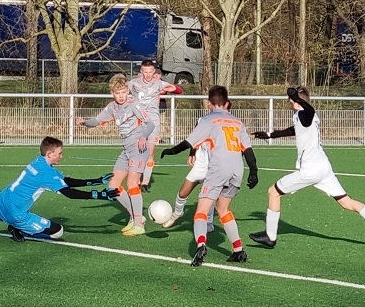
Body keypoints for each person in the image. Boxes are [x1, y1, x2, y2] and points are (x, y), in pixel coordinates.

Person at [249, 86, 365, 250]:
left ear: (298, 102)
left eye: (291, 102)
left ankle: (270, 236)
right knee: (346, 202)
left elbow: (308, 111)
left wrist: (295, 97)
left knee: (273, 192)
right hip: (324, 168)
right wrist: (270, 135)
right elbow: (294, 130)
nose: (290, 104)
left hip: (310, 170)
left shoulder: (306, 113)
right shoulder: (303, 117)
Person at [0, 136, 117, 240]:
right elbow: (70, 193)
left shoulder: (39, 161)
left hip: (1, 200)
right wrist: (99, 195)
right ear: (50, 154)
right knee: (57, 232)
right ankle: (19, 229)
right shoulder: (47, 174)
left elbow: (67, 180)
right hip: (15, 213)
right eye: (59, 153)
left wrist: (95, 180)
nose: (61, 156)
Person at [160, 85, 258, 266]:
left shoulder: (208, 120)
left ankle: (200, 246)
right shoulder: (237, 122)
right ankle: (238, 250)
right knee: (223, 210)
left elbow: (189, 142)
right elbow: (248, 150)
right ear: (227, 103)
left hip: (218, 169)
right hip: (237, 170)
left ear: (208, 103)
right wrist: (254, 171)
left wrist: (171, 151)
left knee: (201, 211)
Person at [76, 73, 155, 236]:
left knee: (132, 183)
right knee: (113, 185)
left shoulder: (134, 104)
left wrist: (143, 136)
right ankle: (135, 217)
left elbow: (150, 124)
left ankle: (139, 225)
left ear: (127, 91)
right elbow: (96, 121)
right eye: (118, 93)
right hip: (126, 149)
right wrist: (84, 122)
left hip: (139, 148)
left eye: (123, 92)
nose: (121, 96)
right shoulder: (112, 107)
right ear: (112, 93)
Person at [127, 61, 182, 191]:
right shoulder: (133, 83)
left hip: (153, 122)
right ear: (141, 71)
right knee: (137, 152)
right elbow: (121, 93)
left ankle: (145, 183)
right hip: (138, 122)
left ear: (154, 72)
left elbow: (179, 91)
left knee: (150, 152)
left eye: (150, 72)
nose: (147, 75)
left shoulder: (158, 83)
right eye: (145, 72)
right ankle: (136, 179)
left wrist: (174, 89)